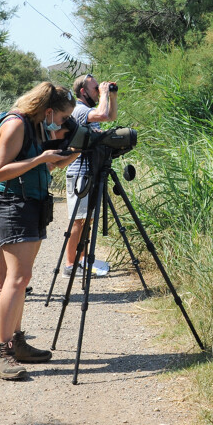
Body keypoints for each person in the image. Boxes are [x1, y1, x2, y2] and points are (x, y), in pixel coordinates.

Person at [0, 81, 79, 380]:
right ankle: (2, 351)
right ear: (49, 110)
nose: (63, 124)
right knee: (16, 280)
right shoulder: (16, 124)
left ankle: (17, 342)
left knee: (23, 278)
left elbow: (37, 169)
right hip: (13, 206)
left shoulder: (36, 125)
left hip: (31, 204)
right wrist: (41, 157)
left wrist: (70, 155)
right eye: (64, 118)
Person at [62, 74, 118, 278]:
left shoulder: (90, 109)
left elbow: (110, 116)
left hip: (89, 171)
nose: (98, 91)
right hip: (79, 172)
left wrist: (111, 95)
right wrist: (104, 95)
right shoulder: (79, 110)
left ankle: (82, 259)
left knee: (88, 219)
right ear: (83, 91)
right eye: (95, 88)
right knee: (78, 220)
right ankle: (70, 264)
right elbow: (103, 115)